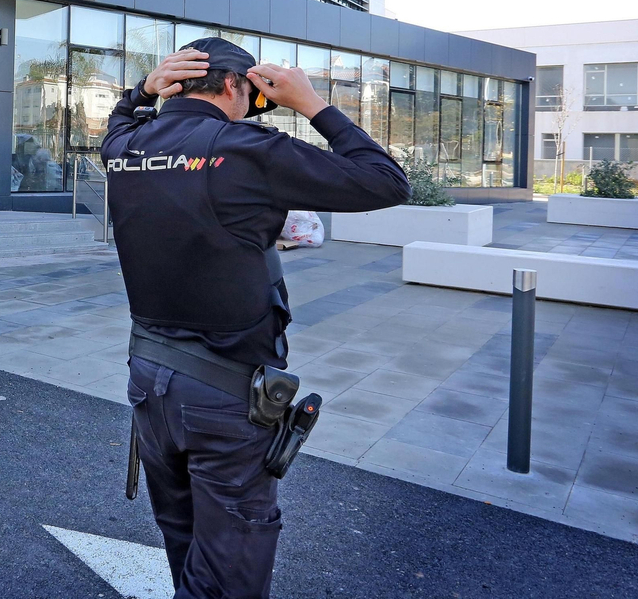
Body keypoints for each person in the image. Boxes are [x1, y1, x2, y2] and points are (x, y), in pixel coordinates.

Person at [102, 38, 409, 599]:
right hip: (225, 393)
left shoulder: (129, 145)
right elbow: (386, 181)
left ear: (174, 85)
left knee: (183, 537)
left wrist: (141, 92)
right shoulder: (246, 148)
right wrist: (313, 104)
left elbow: (114, 127)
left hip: (150, 382)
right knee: (231, 567)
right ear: (231, 84)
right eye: (252, 90)